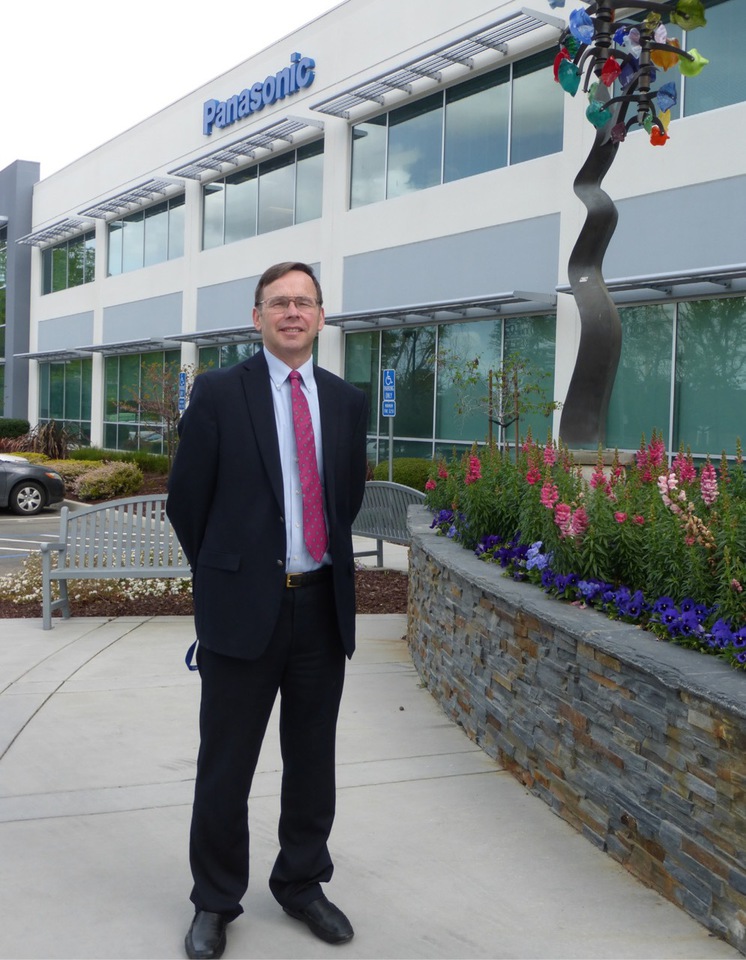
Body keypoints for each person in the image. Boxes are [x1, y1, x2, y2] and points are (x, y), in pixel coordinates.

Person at [166, 261, 368, 960]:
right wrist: (229, 572)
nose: (292, 312)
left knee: (312, 761)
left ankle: (302, 883)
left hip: (321, 608)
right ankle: (215, 899)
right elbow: (186, 501)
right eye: (278, 302)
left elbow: (346, 499)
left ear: (320, 316)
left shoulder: (345, 401)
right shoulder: (221, 393)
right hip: (241, 612)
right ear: (257, 318)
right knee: (226, 765)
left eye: (303, 302)